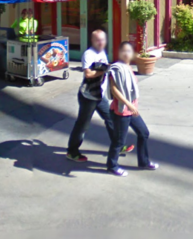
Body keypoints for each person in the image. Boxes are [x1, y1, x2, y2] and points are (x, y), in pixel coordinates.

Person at [65, 29, 133, 162]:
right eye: (98, 40)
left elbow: (104, 68)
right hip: (88, 95)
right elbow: (88, 74)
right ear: (92, 41)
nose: (101, 42)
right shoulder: (88, 54)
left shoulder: (102, 52)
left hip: (100, 95)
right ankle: (72, 152)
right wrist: (104, 71)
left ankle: (118, 146)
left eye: (103, 40)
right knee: (82, 125)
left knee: (111, 119)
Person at [106, 41, 158, 176]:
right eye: (123, 50)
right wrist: (128, 104)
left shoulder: (129, 68)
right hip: (121, 111)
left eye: (128, 51)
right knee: (119, 141)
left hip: (132, 109)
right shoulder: (116, 68)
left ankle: (144, 162)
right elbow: (114, 89)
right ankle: (112, 166)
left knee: (144, 133)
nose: (126, 53)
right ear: (119, 53)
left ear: (133, 54)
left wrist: (132, 105)